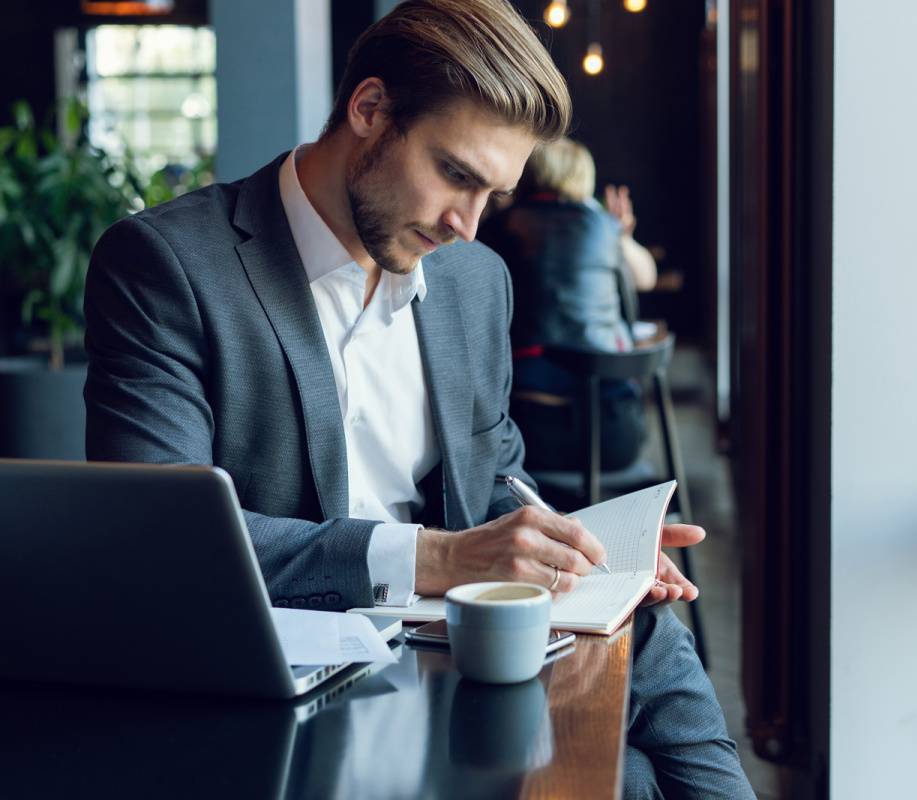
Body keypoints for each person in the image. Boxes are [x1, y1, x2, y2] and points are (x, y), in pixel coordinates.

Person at [83, 1, 753, 796]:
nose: (467, 225)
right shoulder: (168, 266)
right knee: (630, 781)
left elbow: (498, 476)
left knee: (658, 665)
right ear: (369, 110)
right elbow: (164, 546)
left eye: (491, 196)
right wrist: (434, 558)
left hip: (469, 642)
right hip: (315, 693)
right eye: (456, 175)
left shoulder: (475, 281)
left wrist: (581, 545)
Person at [478, 138, 655, 472]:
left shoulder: (497, 227)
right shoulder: (603, 226)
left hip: (525, 437)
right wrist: (623, 236)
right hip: (615, 435)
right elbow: (646, 278)